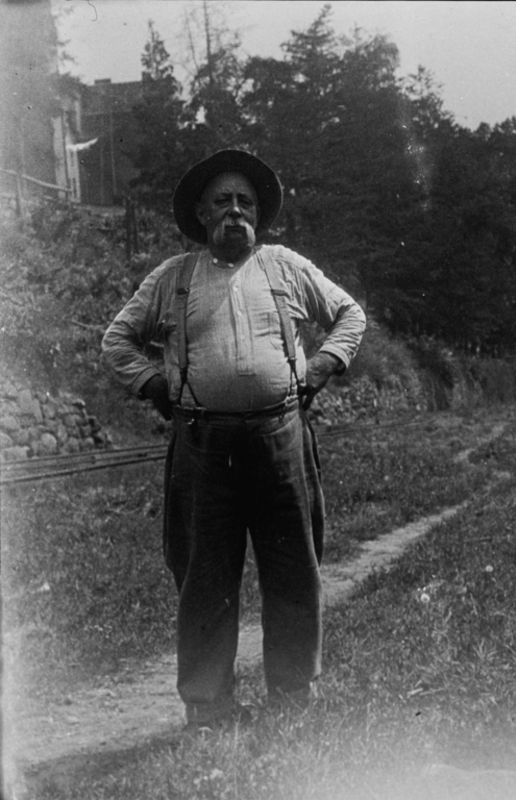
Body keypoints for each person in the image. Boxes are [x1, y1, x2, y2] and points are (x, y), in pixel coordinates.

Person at [102, 149, 366, 728]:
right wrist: (153, 384)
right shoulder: (174, 278)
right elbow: (117, 340)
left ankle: (294, 698)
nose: (235, 213)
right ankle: (208, 705)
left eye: (245, 202)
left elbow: (350, 316)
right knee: (204, 575)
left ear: (259, 215)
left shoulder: (286, 267)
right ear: (201, 214)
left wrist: (323, 366)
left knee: (294, 566)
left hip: (281, 440)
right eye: (221, 202)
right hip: (203, 448)